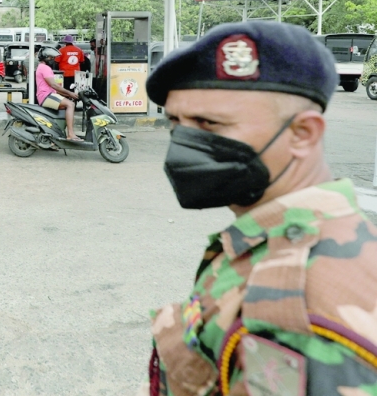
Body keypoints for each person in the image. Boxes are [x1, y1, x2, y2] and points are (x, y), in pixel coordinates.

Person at [145, 21, 377, 395]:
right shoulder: (277, 240)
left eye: (208, 123)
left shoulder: (299, 305)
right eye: (176, 123)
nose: (184, 145)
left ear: (303, 134)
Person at [35, 48, 80, 141]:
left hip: (46, 95)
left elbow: (53, 87)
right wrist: (70, 93)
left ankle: (58, 134)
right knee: (70, 105)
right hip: (46, 96)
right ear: (46, 58)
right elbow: (54, 85)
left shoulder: (41, 67)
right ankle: (71, 134)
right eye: (51, 58)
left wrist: (68, 95)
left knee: (67, 106)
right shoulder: (45, 68)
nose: (53, 60)